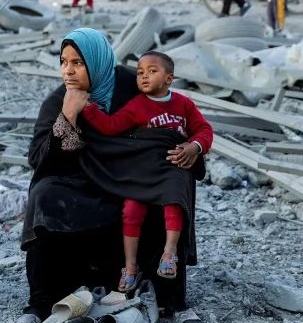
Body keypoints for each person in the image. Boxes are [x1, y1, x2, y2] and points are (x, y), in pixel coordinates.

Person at [10, 28, 204, 323]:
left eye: (77, 63)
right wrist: (68, 116)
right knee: (44, 194)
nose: (68, 71)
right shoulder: (60, 99)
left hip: (134, 179)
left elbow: (174, 121)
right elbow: (39, 159)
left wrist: (193, 147)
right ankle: (40, 304)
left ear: (97, 61)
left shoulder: (134, 85)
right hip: (83, 183)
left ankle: (172, 300)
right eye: (63, 62)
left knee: (173, 181)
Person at [80, 50, 213, 292]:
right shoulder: (137, 106)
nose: (144, 76)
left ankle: (169, 253)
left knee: (174, 200)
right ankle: (130, 266)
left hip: (172, 166)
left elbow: (204, 129)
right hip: (143, 168)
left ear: (169, 78)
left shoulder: (183, 104)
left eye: (152, 71)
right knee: (131, 210)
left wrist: (195, 146)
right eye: (140, 72)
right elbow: (111, 127)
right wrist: (88, 108)